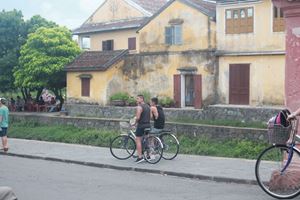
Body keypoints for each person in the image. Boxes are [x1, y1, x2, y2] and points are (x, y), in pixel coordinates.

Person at [131, 95, 151, 163]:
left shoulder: (139, 107)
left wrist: (134, 123)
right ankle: (148, 155)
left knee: (138, 140)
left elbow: (138, 117)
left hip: (141, 125)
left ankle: (140, 157)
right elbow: (150, 116)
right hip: (148, 125)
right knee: (146, 139)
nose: (136, 100)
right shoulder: (148, 106)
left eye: (138, 98)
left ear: (142, 99)